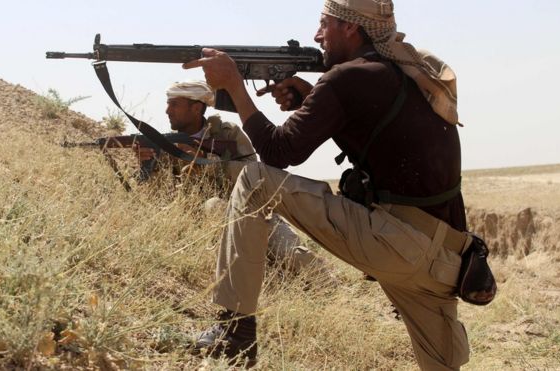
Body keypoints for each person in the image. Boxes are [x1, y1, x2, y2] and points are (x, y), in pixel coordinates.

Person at [183, 0, 471, 369]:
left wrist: (235, 87)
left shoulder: (346, 78)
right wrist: (313, 100)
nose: (316, 35)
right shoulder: (405, 74)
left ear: (350, 28)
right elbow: (387, 141)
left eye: (324, 24)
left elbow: (277, 150)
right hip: (445, 259)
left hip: (396, 244)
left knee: (254, 180)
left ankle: (234, 335)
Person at [137, 80, 330, 275]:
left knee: (293, 254)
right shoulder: (165, 144)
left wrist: (206, 162)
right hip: (201, 221)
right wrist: (148, 164)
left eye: (174, 104)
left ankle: (328, 283)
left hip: (249, 208)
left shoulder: (228, 133)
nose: (167, 111)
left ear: (196, 108)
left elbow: (255, 173)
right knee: (214, 206)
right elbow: (160, 196)